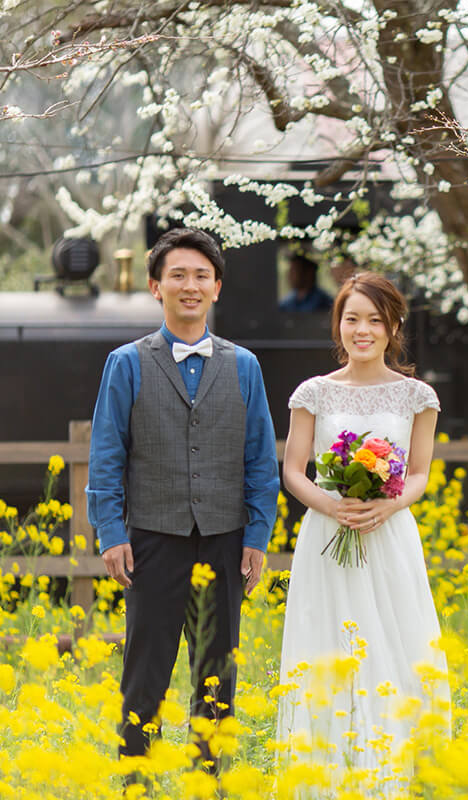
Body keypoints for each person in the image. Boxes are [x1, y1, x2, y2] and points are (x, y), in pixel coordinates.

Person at [86, 227, 280, 768]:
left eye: (201, 276)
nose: (189, 286)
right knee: (144, 673)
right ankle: (136, 779)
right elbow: (106, 457)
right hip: (151, 539)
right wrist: (112, 533)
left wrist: (257, 536)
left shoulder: (244, 366)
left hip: (225, 538)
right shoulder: (126, 363)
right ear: (155, 287)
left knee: (218, 675)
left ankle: (207, 781)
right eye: (177, 276)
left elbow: (261, 460)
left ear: (217, 287)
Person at [276, 272, 448, 782]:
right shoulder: (314, 393)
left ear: (394, 325)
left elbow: (419, 473)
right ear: (339, 326)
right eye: (352, 319)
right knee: (329, 643)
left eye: (375, 320)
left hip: (389, 535)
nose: (363, 330)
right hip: (327, 538)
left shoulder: (417, 396)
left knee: (394, 641)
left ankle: (393, 772)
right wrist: (330, 507)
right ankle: (326, 775)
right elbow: (292, 470)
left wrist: (388, 506)